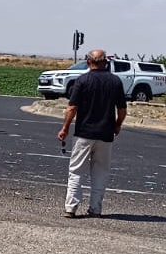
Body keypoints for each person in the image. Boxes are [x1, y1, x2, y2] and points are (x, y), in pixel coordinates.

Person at [57, 48, 127, 218]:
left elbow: (72, 108)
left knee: (76, 171)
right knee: (100, 172)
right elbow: (122, 109)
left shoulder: (82, 80)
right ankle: (95, 208)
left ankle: (71, 207)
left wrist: (65, 127)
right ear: (106, 62)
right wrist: (117, 125)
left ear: (88, 61)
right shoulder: (115, 81)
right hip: (105, 134)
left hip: (84, 133)